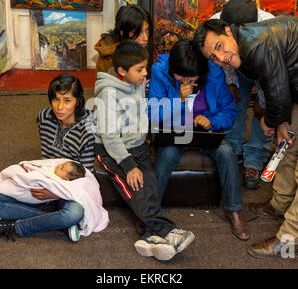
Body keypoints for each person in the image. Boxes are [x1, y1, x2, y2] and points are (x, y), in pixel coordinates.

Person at [192, 16, 298, 258]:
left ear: (229, 31)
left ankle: (292, 239)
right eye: (213, 57)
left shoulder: (257, 44)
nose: (221, 59)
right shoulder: (242, 45)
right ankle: (280, 204)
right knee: (288, 147)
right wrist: (279, 121)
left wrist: (271, 120)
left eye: (219, 47)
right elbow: (273, 86)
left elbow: (278, 94)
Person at [92, 40, 195, 261]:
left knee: (150, 185)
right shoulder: (108, 94)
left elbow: (141, 112)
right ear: (121, 72)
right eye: (139, 69)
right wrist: (128, 166)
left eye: (145, 68)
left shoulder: (137, 82)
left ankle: (149, 238)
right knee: (137, 189)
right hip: (113, 152)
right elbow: (109, 136)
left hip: (137, 147)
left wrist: (145, 137)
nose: (144, 74)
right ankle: (169, 231)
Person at [148, 39, 249, 241]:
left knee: (227, 152)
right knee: (166, 154)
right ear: (171, 69)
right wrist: (178, 99)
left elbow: (229, 110)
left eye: (191, 77)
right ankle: (150, 213)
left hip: (205, 132)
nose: (186, 81)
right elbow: (152, 112)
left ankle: (234, 210)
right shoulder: (160, 70)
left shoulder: (214, 72)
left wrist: (211, 121)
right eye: (180, 76)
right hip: (175, 130)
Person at [211, 0, 275, 190]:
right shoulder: (215, 23)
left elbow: (269, 71)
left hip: (262, 66)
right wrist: (231, 82)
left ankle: (254, 161)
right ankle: (234, 150)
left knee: (261, 113)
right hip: (233, 64)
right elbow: (222, 56)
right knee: (234, 102)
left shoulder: (269, 27)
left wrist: (263, 100)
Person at [0, 158, 109, 244]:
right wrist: (27, 170)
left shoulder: (84, 130)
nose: (59, 166)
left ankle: (15, 227)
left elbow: (82, 179)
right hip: (33, 193)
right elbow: (39, 166)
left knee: (74, 213)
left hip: (66, 193)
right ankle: (61, 225)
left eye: (62, 168)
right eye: (61, 165)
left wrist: (56, 193)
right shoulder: (45, 119)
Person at [37, 73, 95, 172]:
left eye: (67, 100)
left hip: (74, 181)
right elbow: (46, 158)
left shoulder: (88, 130)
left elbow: (86, 175)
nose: (60, 107)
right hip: (47, 173)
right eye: (56, 99)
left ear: (78, 101)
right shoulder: (44, 117)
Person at [94, 4, 151, 73]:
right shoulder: (110, 58)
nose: (146, 38)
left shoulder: (138, 47)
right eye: (138, 33)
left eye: (147, 30)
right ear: (122, 32)